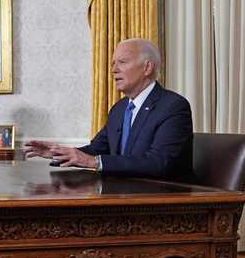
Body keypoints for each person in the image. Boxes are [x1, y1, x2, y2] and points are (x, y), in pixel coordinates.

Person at [23, 38, 194, 182]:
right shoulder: (119, 109)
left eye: (122, 62)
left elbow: (159, 163)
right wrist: (57, 153)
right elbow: (97, 149)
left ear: (147, 67)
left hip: (163, 199)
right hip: (122, 193)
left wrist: (94, 162)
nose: (113, 70)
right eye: (113, 64)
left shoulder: (173, 106)